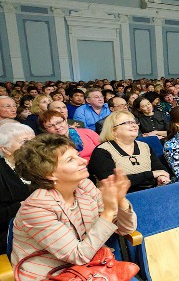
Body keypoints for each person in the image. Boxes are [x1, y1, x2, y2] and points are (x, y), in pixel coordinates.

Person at [11, 134, 137, 281]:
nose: (83, 161)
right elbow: (79, 256)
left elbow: (126, 229)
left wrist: (120, 200)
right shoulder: (35, 208)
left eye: (78, 155)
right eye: (71, 160)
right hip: (52, 275)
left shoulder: (85, 186)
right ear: (49, 174)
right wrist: (108, 211)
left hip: (93, 267)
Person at [88, 111, 170, 192]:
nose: (134, 125)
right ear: (113, 131)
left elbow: (160, 169)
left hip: (150, 193)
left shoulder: (145, 146)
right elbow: (113, 182)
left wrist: (161, 177)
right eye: (128, 122)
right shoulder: (102, 151)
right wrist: (151, 174)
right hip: (118, 200)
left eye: (134, 122)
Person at [0, 123, 35, 254]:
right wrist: (22, 205)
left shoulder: (41, 166)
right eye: (25, 141)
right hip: (12, 233)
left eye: (33, 140)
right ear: (6, 149)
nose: (32, 145)